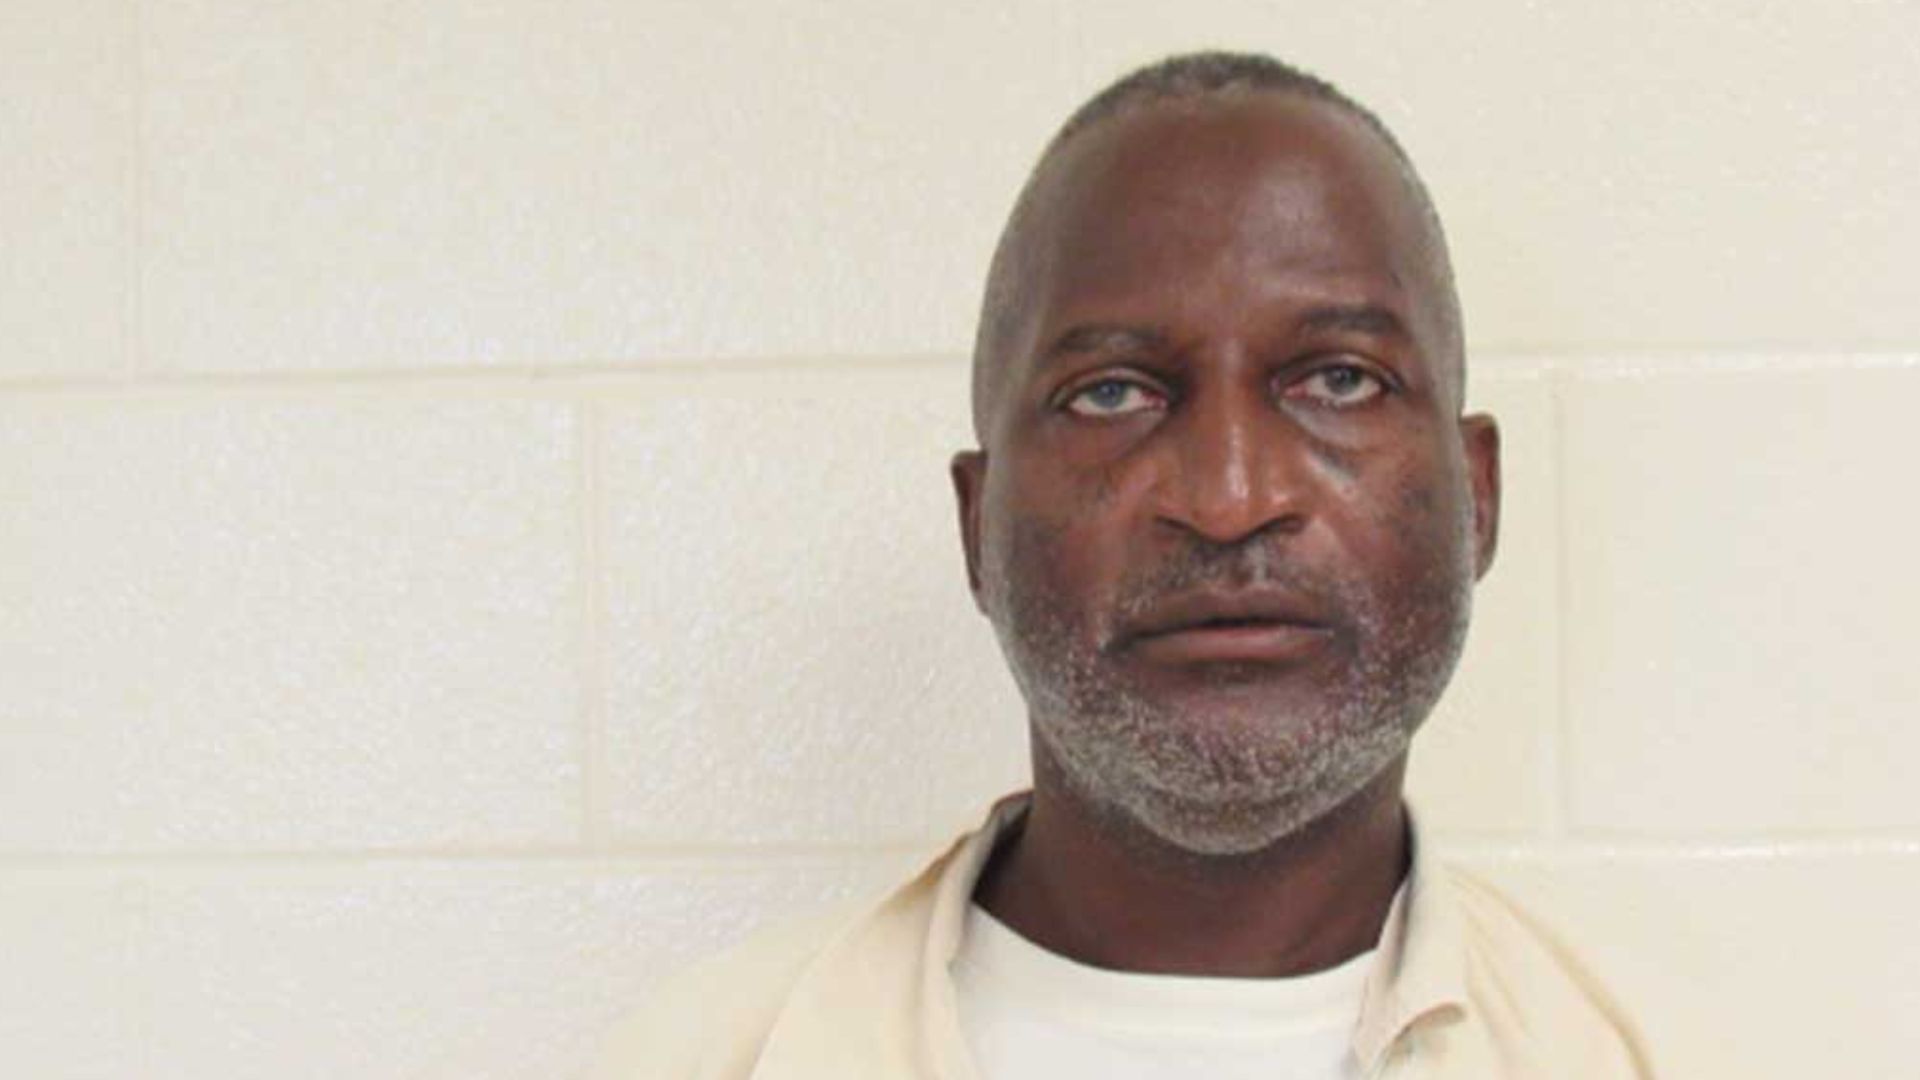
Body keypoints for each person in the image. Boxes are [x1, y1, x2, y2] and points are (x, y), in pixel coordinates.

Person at [594, 50, 1653, 1079]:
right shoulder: (703, 1057)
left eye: (1340, 380)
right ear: (977, 524)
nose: (1229, 499)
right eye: (1112, 393)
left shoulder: (1665, 1052)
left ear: (1478, 498)